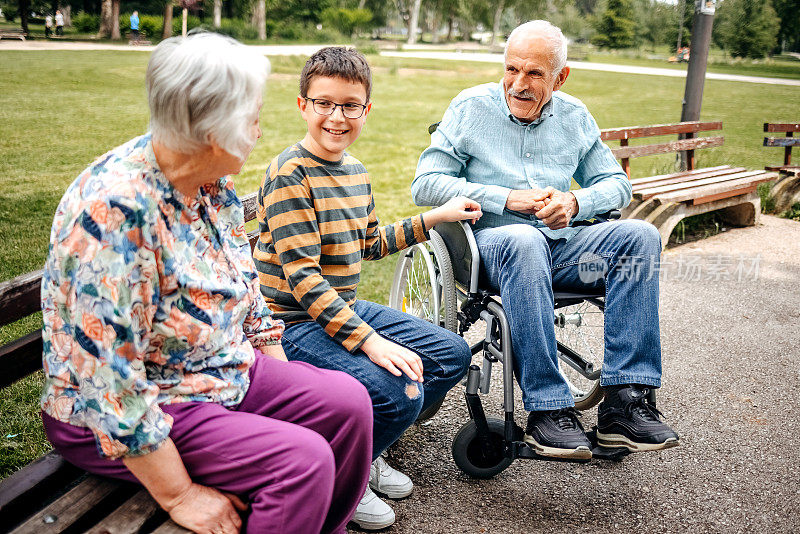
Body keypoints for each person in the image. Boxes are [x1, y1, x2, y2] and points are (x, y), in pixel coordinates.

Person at [40, 32, 372, 534]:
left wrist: (280, 378)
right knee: (301, 462)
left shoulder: (211, 181)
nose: (260, 132)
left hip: (214, 369)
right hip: (134, 403)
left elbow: (244, 281)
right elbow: (109, 386)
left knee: (349, 405)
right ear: (213, 131)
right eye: (253, 118)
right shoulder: (114, 217)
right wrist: (180, 494)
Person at [412, 20, 680, 461]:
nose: (518, 84)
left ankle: (625, 404)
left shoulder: (574, 116)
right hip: (492, 247)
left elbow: (616, 184)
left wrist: (576, 202)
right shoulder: (471, 108)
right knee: (523, 238)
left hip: (559, 246)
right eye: (512, 69)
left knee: (640, 235)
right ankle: (547, 410)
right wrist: (506, 198)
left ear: (560, 77)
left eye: (535, 74)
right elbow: (426, 184)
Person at [254, 47, 481, 530]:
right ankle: (346, 475)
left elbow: (370, 243)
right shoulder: (288, 174)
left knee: (452, 354)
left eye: (350, 105)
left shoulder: (356, 172)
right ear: (302, 106)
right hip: (290, 324)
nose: (337, 117)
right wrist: (371, 341)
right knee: (399, 391)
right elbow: (304, 278)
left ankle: (366, 449)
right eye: (324, 103)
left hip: (343, 307)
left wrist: (435, 218)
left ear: (366, 110)